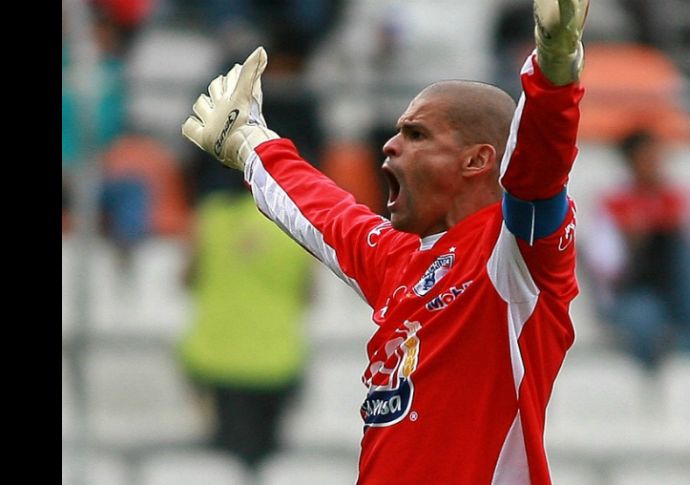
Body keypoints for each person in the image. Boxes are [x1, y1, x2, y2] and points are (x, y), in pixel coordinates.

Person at [181, 0, 589, 482]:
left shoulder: (516, 257)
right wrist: (251, 143)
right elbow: (327, 216)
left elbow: (539, 167)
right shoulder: (404, 264)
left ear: (478, 160)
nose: (391, 145)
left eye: (416, 134)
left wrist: (554, 69)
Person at [179, 166, 311, 466]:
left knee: (221, 464)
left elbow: (187, 278)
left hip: (214, 358)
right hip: (277, 360)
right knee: (266, 463)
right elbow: (308, 293)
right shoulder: (295, 223)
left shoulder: (209, 216)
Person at [584, 129, 690, 371]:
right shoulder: (613, 204)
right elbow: (605, 265)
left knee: (683, 249)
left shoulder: (682, 199)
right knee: (645, 319)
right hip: (636, 291)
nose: (655, 164)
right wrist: (634, 241)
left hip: (681, 289)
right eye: (647, 158)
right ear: (630, 162)